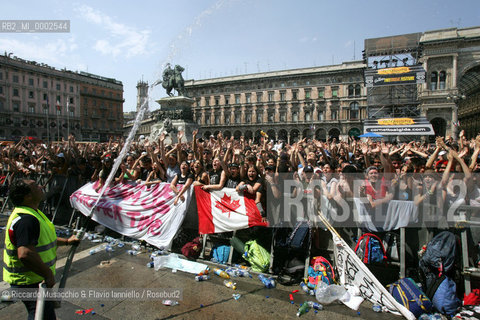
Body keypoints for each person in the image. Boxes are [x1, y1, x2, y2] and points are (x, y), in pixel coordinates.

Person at [3, 179, 79, 320]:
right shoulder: (26, 219)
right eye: (35, 186)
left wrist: (68, 241)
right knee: (41, 315)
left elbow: (43, 240)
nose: (40, 186)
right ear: (28, 196)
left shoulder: (33, 213)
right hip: (30, 281)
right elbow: (25, 254)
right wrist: (47, 274)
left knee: (43, 313)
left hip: (35, 278)